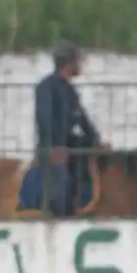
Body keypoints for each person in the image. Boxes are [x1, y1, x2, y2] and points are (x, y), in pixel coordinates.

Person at [23, 41, 105, 217]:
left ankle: (84, 206)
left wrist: (96, 141)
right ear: (70, 63)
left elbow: (82, 120)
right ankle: (57, 215)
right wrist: (54, 147)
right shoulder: (46, 87)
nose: (80, 66)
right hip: (51, 147)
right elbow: (45, 120)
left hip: (68, 145)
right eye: (78, 62)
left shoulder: (69, 90)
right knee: (61, 180)